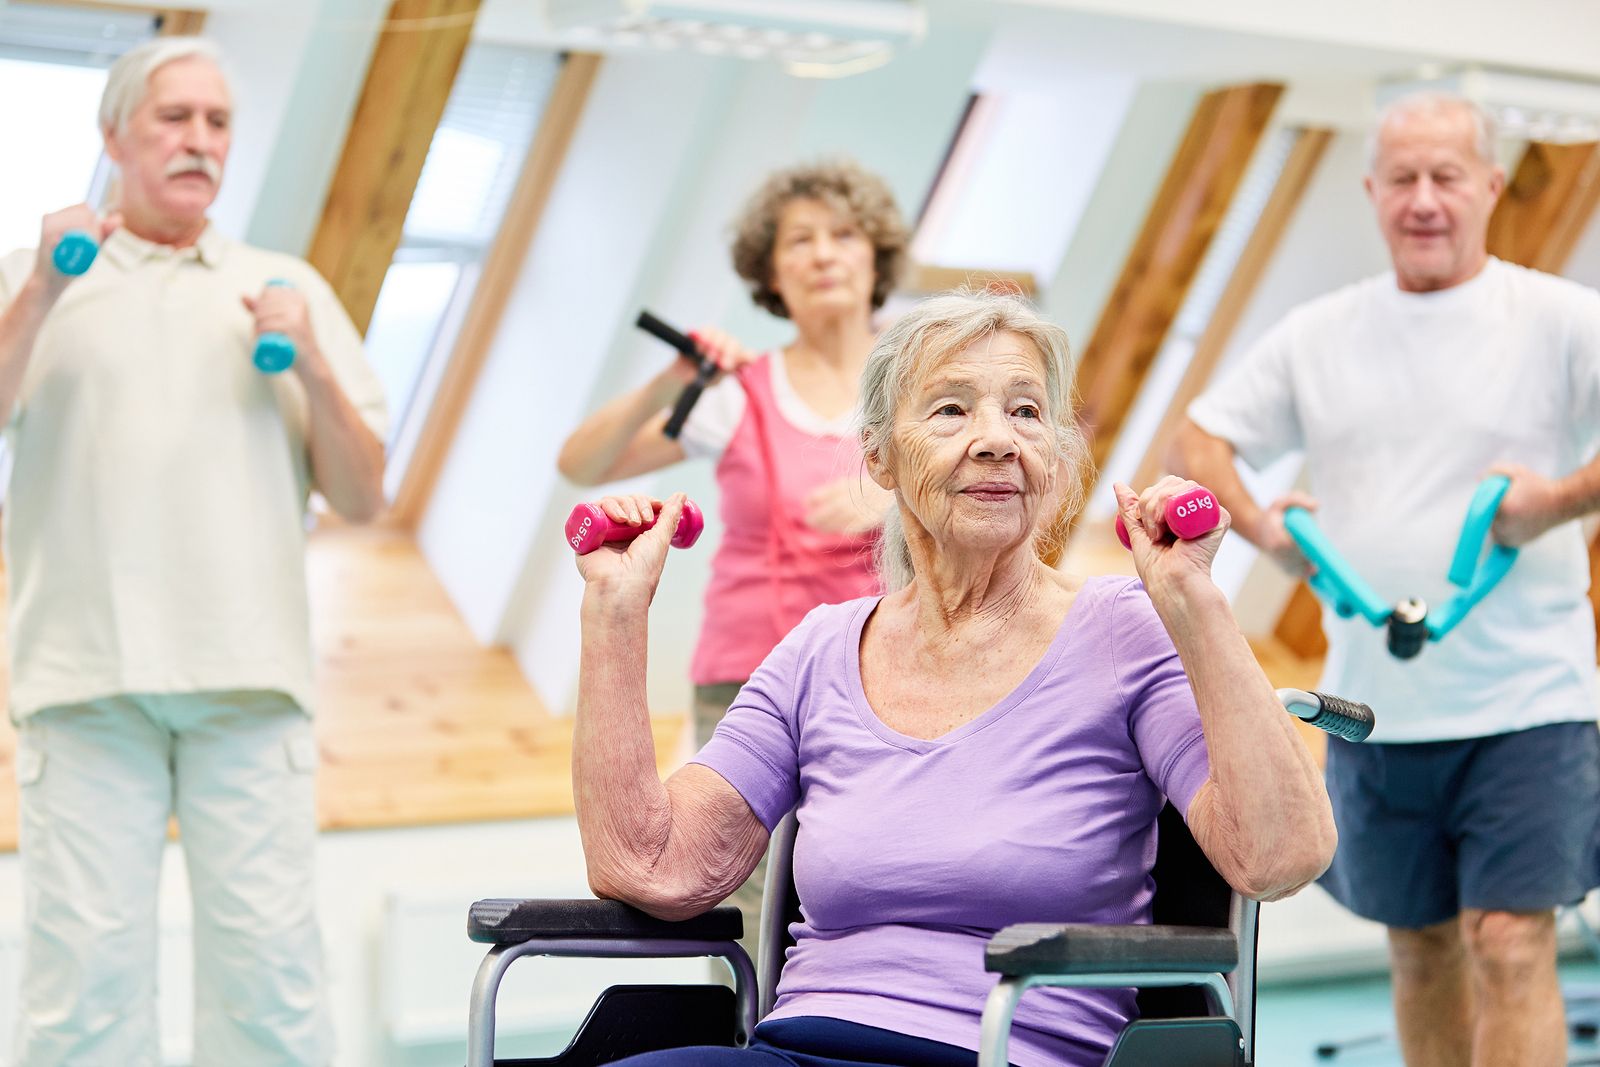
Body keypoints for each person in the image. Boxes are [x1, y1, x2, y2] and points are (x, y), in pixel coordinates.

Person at [569, 290, 1336, 1066]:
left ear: (1059, 455)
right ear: (880, 457)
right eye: (950, 410)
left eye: (1027, 412)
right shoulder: (818, 651)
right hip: (795, 1050)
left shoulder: (1123, 630)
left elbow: (1280, 855)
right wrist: (613, 611)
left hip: (1001, 1051)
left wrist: (1195, 603)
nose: (997, 440)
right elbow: (651, 865)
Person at [1173, 91, 1600, 1067]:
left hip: (1528, 701)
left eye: (1446, 175)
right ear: (1370, 192)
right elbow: (1202, 435)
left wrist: (1557, 496)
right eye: (1401, 178)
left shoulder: (1558, 317)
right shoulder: (1320, 332)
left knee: (1509, 934)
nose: (1423, 199)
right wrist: (1263, 528)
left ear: (1489, 185)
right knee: (1419, 948)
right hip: (1374, 704)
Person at [0, 37, 388, 1065]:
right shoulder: (30, 281)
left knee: (272, 994)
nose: (199, 141)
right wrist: (41, 288)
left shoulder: (283, 285)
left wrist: (308, 359)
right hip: (85, 684)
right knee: (79, 996)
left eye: (217, 122)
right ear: (114, 135)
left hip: (248, 685)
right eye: (174, 117)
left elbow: (361, 493)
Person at [557, 160, 908, 963]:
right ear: (771, 271)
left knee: (870, 879)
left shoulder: (924, 384)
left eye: (843, 236)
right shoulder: (736, 391)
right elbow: (583, 462)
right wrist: (666, 384)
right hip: (750, 680)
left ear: (874, 256)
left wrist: (898, 502)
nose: (823, 255)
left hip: (891, 676)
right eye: (799, 241)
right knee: (743, 898)